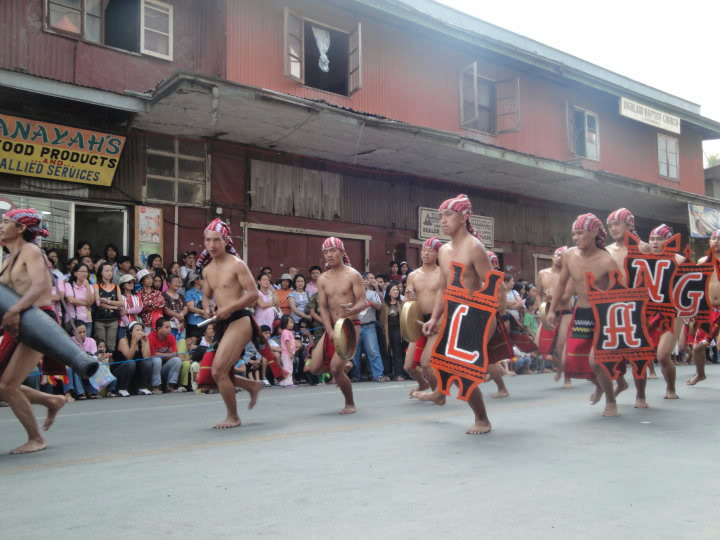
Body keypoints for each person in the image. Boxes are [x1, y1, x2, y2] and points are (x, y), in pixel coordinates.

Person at [419, 195, 506, 434]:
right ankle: (439, 393)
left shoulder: (474, 247)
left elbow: (494, 285)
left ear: (463, 216)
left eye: (448, 215)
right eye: (441, 216)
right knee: (429, 362)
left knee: (461, 369)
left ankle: (482, 420)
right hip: (452, 314)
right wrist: (435, 318)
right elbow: (443, 289)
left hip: (477, 316)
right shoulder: (444, 250)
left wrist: (497, 310)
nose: (443, 221)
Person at [0, 208, 66, 454]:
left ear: (20, 229)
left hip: (38, 322)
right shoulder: (9, 260)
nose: (0, 225)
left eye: (5, 221)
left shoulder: (31, 251)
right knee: (3, 385)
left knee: (7, 386)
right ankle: (51, 399)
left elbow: (39, 286)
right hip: (18, 321)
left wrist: (15, 309)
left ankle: (37, 438)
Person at [547, 213, 622, 416]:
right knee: (571, 361)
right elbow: (562, 283)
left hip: (604, 315)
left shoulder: (608, 261)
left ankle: (611, 400)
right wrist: (552, 309)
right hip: (582, 312)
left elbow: (623, 293)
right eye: (573, 234)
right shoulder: (570, 255)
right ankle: (603, 384)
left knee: (595, 361)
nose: (575, 237)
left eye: (580, 233)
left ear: (594, 232)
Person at [197, 218, 264, 428]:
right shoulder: (207, 269)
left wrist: (229, 307)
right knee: (217, 372)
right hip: (221, 321)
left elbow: (253, 294)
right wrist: (207, 306)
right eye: (208, 240)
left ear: (226, 240)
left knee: (217, 372)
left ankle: (233, 417)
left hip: (240, 319)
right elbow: (207, 295)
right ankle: (251, 385)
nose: (212, 245)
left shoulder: (237, 264)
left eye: (216, 240)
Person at [309, 237, 367, 414]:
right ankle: (344, 365)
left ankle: (350, 403)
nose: (329, 255)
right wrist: (328, 329)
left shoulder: (353, 275)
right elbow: (323, 308)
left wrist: (350, 311)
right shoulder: (323, 279)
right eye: (325, 252)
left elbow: (363, 302)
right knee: (314, 368)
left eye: (332, 250)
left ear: (342, 252)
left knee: (334, 369)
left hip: (350, 325)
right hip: (332, 326)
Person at [637, 224, 684, 400]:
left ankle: (671, 388)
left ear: (668, 240)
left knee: (663, 355)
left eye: (660, 238)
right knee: (640, 354)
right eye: (652, 239)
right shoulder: (642, 260)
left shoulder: (679, 260)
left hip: (673, 312)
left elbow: (691, 287)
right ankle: (640, 395)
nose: (655, 242)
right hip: (649, 312)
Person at [404, 237, 443, 396]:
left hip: (437, 320)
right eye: (424, 250)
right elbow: (407, 298)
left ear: (438, 254)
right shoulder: (412, 275)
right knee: (408, 366)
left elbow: (448, 299)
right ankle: (424, 384)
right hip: (418, 320)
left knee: (426, 363)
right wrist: (409, 296)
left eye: (430, 251)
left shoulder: (443, 273)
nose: (426, 253)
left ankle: (437, 394)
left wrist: (439, 321)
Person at [536, 246, 573, 387]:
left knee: (561, 346)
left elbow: (566, 298)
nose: (559, 257)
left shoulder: (568, 275)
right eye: (557, 255)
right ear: (552, 257)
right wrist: (541, 307)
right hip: (548, 312)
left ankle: (567, 377)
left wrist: (554, 297)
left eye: (562, 256)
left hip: (564, 313)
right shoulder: (542, 273)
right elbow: (538, 293)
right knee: (538, 345)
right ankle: (561, 368)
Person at [687, 229, 720, 387]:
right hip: (708, 310)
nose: (716, 242)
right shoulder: (702, 261)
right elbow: (696, 287)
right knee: (697, 347)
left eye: (719, 239)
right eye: (714, 239)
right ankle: (700, 374)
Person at [350, 272, 389, 383]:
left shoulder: (372, 293)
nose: (364, 281)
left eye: (366, 279)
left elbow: (379, 307)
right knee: (355, 353)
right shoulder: (352, 295)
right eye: (362, 280)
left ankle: (378, 375)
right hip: (354, 326)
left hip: (369, 325)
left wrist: (368, 302)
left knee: (373, 351)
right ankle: (356, 376)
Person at [113, 320, 153, 397]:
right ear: (131, 332)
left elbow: (146, 357)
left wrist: (146, 341)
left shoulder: (142, 341)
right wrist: (134, 342)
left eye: (141, 330)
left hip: (135, 370)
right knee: (131, 362)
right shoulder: (123, 340)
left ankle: (142, 387)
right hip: (121, 370)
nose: (140, 332)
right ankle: (122, 388)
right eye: (137, 330)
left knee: (148, 362)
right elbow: (129, 357)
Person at [148, 317, 183, 393]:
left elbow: (175, 354)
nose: (169, 329)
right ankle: (156, 386)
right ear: (159, 328)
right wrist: (168, 354)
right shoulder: (151, 337)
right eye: (166, 327)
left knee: (177, 360)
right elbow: (152, 355)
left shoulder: (171, 337)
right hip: (152, 369)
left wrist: (160, 354)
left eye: (170, 327)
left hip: (163, 368)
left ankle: (170, 385)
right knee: (157, 360)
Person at [93, 262, 122, 352]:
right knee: (101, 346)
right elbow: (98, 303)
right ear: (101, 272)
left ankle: (110, 364)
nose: (109, 273)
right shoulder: (96, 285)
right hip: (100, 320)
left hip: (113, 320)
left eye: (111, 271)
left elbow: (121, 303)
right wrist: (113, 307)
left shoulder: (116, 287)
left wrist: (108, 301)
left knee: (111, 346)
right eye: (106, 270)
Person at [380, 283, 405, 380]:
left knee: (397, 352)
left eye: (397, 290)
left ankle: (398, 374)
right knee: (386, 352)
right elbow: (381, 319)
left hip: (398, 330)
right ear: (389, 293)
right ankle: (387, 374)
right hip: (387, 331)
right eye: (394, 290)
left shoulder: (401, 303)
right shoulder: (384, 304)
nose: (396, 292)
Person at [64, 262, 95, 336]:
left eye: (86, 272)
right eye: (82, 271)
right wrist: (86, 303)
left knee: (86, 343)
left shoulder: (90, 286)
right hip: (73, 320)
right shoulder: (69, 285)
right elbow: (71, 300)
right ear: (75, 273)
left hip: (87, 320)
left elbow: (91, 302)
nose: (85, 274)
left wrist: (87, 287)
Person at [137, 268, 165, 333]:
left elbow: (162, 304)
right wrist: (155, 302)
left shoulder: (157, 292)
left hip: (158, 322)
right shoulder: (139, 293)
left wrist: (148, 303)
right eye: (147, 278)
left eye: (151, 278)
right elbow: (141, 308)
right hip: (145, 323)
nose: (150, 280)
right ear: (142, 281)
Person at [163, 274, 188, 341]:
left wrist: (181, 315)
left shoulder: (181, 295)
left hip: (182, 325)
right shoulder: (164, 295)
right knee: (172, 345)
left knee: (181, 345)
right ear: (169, 283)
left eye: (178, 282)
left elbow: (185, 308)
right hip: (170, 325)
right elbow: (166, 310)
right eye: (175, 281)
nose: (177, 284)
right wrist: (178, 315)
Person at [118, 274, 142, 343]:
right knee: (123, 344)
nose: (132, 284)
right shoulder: (119, 297)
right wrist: (129, 325)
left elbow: (139, 309)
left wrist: (127, 311)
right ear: (123, 284)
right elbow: (121, 312)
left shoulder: (136, 296)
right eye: (129, 282)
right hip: (122, 325)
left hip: (135, 325)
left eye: (133, 283)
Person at [185, 274, 209, 341]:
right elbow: (191, 308)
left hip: (204, 322)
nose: (205, 281)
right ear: (196, 281)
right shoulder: (190, 292)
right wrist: (203, 312)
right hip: (193, 322)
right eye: (203, 279)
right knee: (194, 342)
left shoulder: (203, 293)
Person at [278, 315, 296, 387]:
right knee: (288, 368)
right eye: (291, 322)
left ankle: (284, 382)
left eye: (293, 322)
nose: (293, 324)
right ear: (285, 323)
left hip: (287, 353)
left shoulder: (287, 332)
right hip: (287, 353)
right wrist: (290, 352)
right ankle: (288, 383)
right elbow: (287, 342)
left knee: (287, 367)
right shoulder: (285, 332)